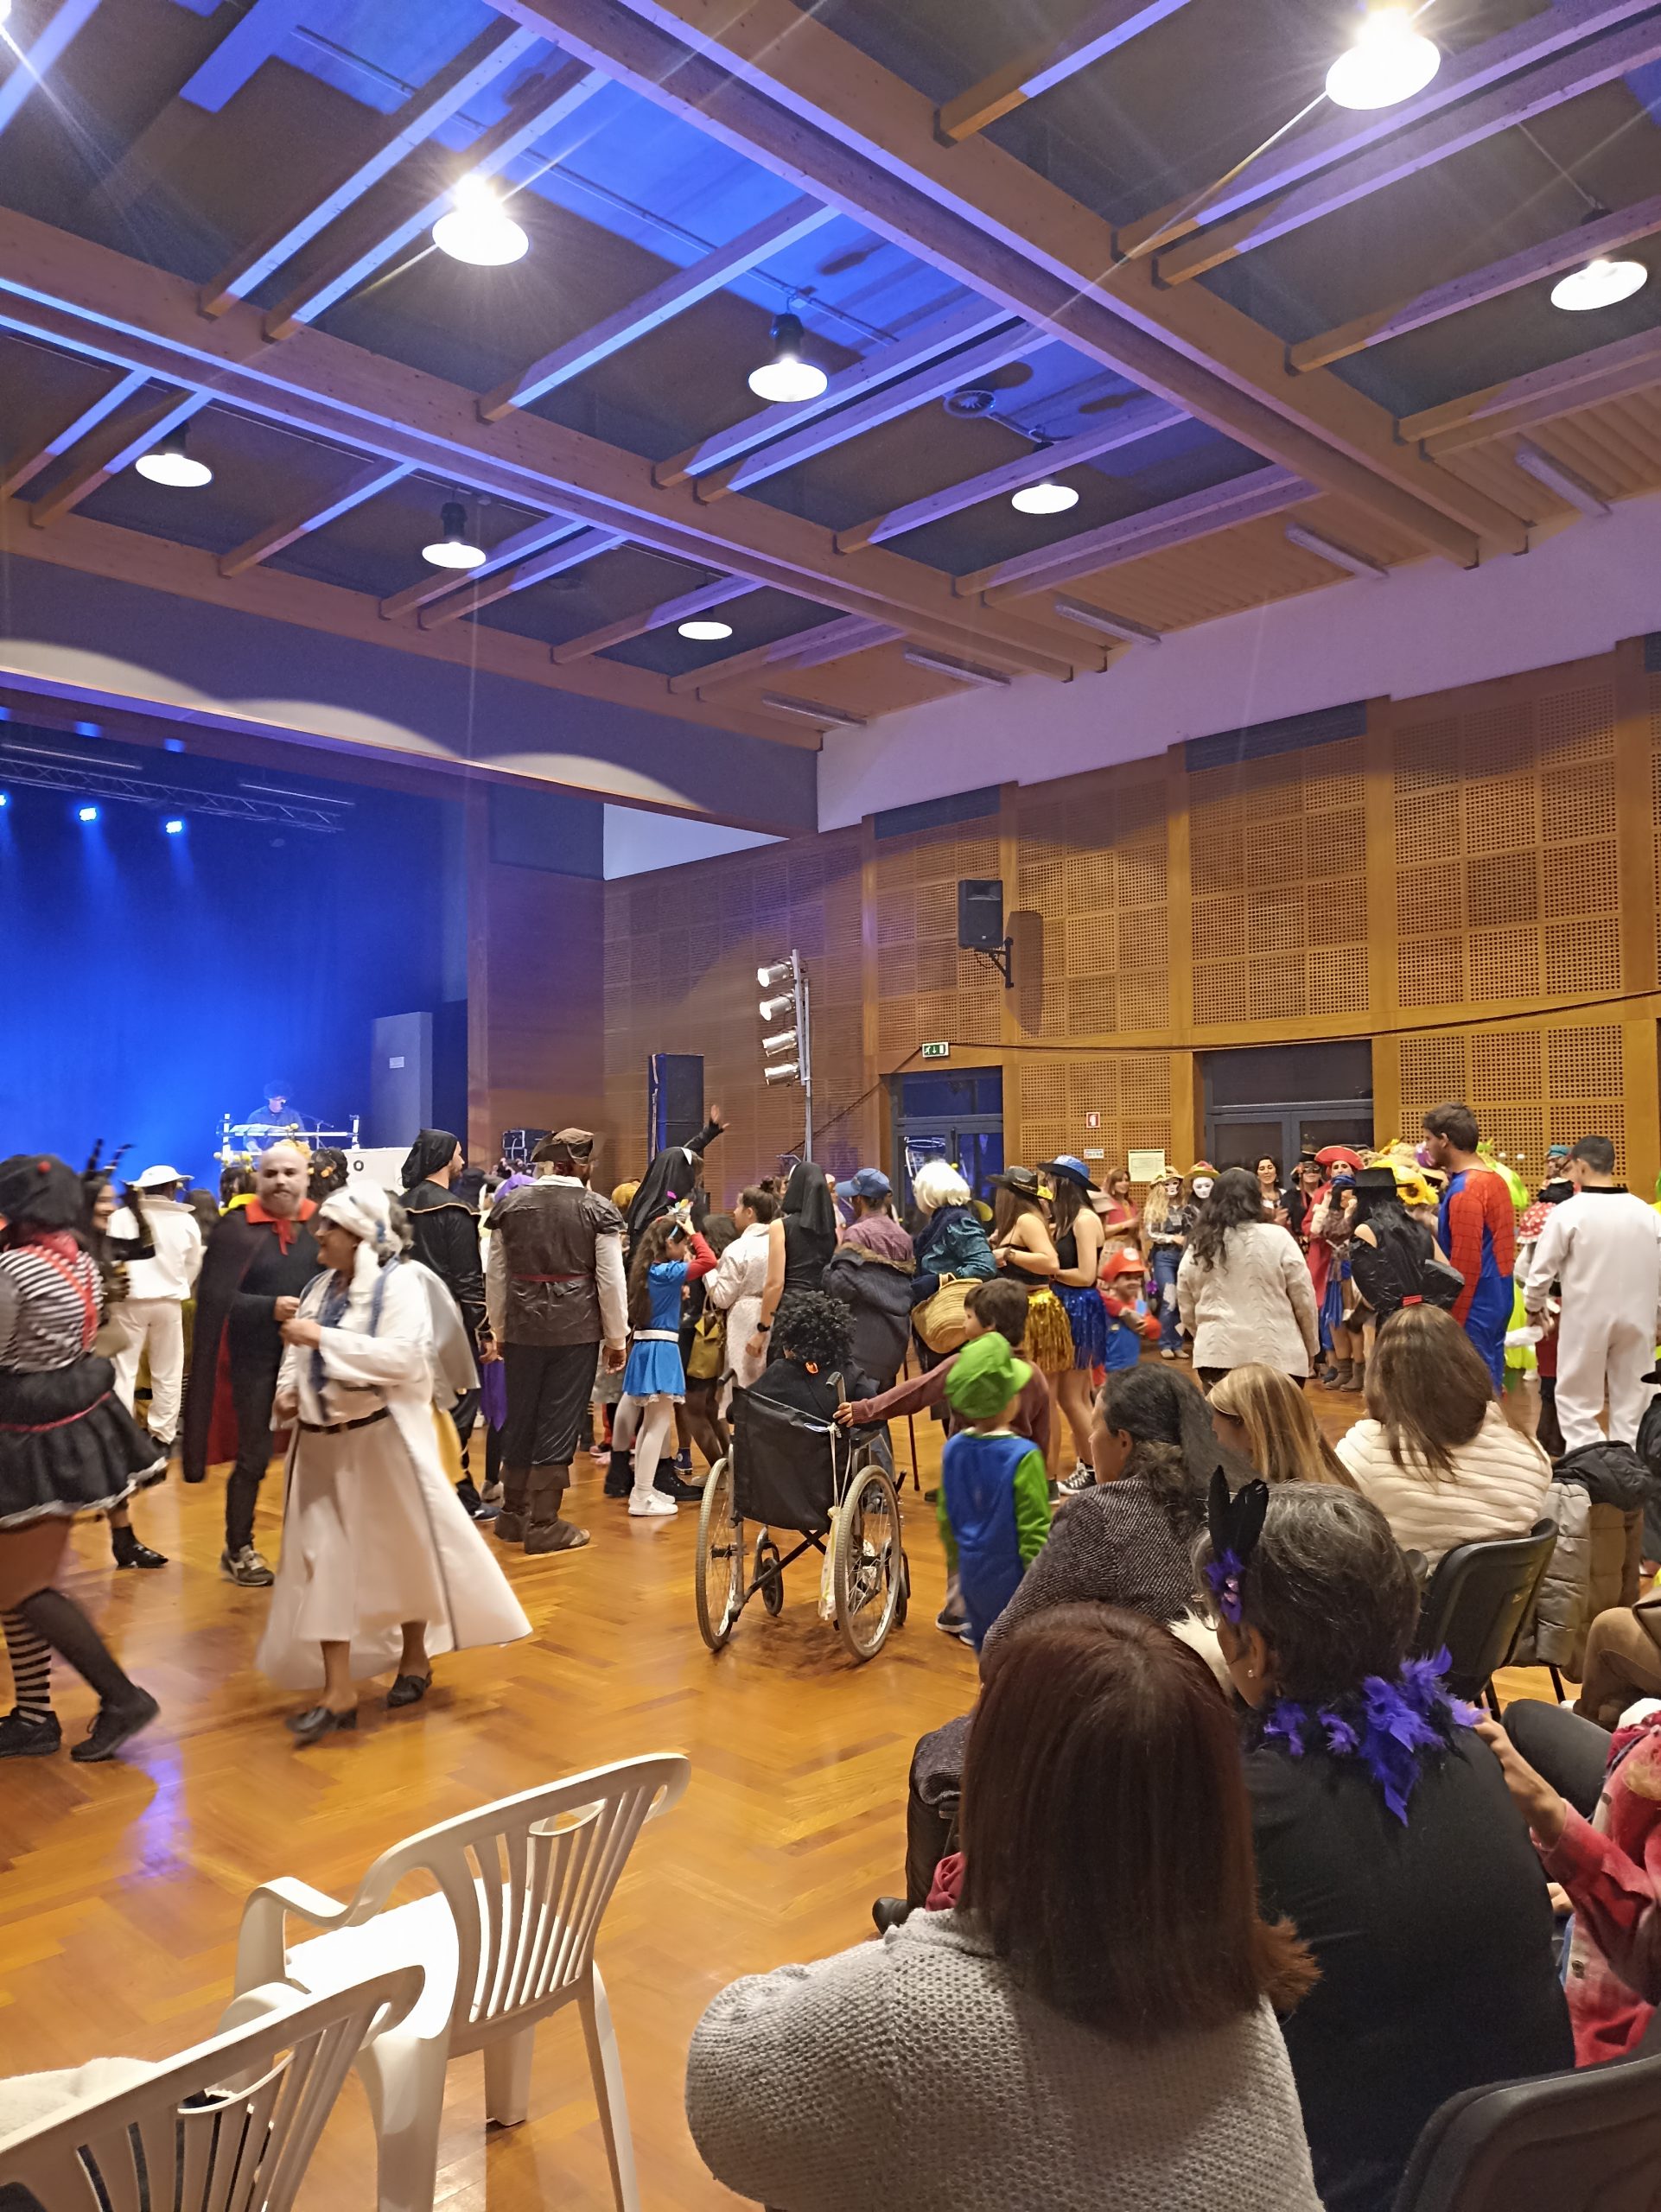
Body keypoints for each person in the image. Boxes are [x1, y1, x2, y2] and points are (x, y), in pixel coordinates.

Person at [686, 1607, 1324, 2212]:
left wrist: (918, 1945)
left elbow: (720, 2084)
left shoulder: (912, 2015)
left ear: (1000, 1783)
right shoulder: (1241, 1998)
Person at [1199, 1478, 1573, 2212]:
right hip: (1540, 2157)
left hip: (1378, 2184)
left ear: (1256, 1649)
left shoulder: (1250, 1803)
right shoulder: (1469, 1744)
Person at [258, 1181, 530, 1741]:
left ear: (362, 1233)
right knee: (322, 1560)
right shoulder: (317, 1287)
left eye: (331, 1225)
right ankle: (338, 1691)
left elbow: (405, 1361)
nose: (319, 1233)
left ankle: (414, 1657)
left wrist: (323, 1340)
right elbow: (294, 1353)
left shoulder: (401, 1283)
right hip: (319, 1449)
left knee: (401, 1554)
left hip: (381, 1443)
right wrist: (286, 1395)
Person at [0, 1154, 162, 1764]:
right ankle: (33, 1715)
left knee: (25, 1585)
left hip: (25, 1433)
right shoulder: (77, 1257)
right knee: (15, 1582)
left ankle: (122, 1697)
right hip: (63, 1422)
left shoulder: (14, 1268)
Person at [1482, 1697, 1661, 2061]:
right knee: (1523, 1718)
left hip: (1617, 2043)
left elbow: (1651, 1962)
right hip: (1605, 1925)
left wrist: (1550, 1814)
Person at [181, 1141, 322, 1588]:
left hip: (314, 1362)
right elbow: (214, 1301)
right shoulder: (235, 1229)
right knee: (254, 1457)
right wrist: (269, 1308)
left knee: (320, 1457)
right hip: (254, 1362)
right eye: (271, 1173)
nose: (280, 1181)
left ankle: (318, 1549)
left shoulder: (323, 1225)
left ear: (306, 1177)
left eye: (290, 1173)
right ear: (256, 1178)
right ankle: (238, 1546)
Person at [485, 1128, 627, 1554]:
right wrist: (616, 1336)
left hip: (521, 1327)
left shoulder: (510, 1205)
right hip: (576, 1329)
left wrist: (499, 1329)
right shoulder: (597, 1209)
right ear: (580, 1165)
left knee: (522, 1416)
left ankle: (512, 1515)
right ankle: (544, 1523)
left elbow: (496, 1276)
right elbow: (610, 1279)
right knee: (559, 1420)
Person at [1334, 1306, 1552, 1568]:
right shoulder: (1530, 1455)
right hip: (1507, 1594)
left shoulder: (1365, 1449)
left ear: (1382, 1376)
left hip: (1405, 1592)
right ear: (1471, 1367)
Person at [1524, 1135, 1661, 1454]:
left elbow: (1542, 1269)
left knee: (1577, 1400)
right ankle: (1629, 1465)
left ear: (1581, 1166)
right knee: (1634, 1398)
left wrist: (1534, 1305)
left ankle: (1594, 1462)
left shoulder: (1568, 1213)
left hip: (1587, 1320)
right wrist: (1658, 1313)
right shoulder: (1646, 1213)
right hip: (1638, 1319)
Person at [399, 1128, 493, 1515]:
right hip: (447, 1326)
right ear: (443, 1158)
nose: (462, 1161)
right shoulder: (456, 1211)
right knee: (458, 1409)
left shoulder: (397, 1208)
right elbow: (468, 1280)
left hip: (402, 1322)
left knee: (418, 1408)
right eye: (458, 1153)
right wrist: (484, 1329)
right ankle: (451, 1497)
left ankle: (454, 1495)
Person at [936, 1333, 1050, 1649]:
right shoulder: (1024, 1456)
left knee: (985, 1645)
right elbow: (1035, 1527)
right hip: (1011, 1574)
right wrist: (1038, 1583)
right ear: (1010, 1400)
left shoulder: (954, 1448)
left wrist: (957, 1562)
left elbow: (947, 1514)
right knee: (1012, 1649)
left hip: (971, 1570)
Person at [1177, 1166, 1319, 1388]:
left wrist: (1206, 1335)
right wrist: (1311, 1347)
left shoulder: (1200, 1243)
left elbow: (1186, 1305)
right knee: (1278, 1412)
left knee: (1225, 1413)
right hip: (1279, 1354)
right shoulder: (1278, 1237)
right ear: (1256, 1198)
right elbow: (1303, 1299)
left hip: (1216, 1356)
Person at [616, 1210, 717, 1518]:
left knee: (651, 1424)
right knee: (657, 1424)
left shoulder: (651, 1271)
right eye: (682, 1244)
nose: (686, 1249)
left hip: (647, 1345)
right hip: (661, 1348)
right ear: (669, 1243)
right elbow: (709, 1261)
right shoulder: (667, 1272)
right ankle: (641, 1495)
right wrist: (693, 1231)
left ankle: (643, 1489)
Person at [104, 1164, 202, 1458]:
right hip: (169, 1302)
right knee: (168, 1371)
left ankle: (121, 1439)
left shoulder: (120, 1217)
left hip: (128, 1302)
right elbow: (193, 1264)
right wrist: (177, 1285)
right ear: (171, 1188)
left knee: (123, 1371)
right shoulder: (186, 1222)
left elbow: (111, 1259)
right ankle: (163, 1435)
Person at [1422, 1103, 1516, 1393]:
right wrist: (1429, 1221)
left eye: (1428, 1138)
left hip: (1476, 1303)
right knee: (1489, 1383)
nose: (1426, 1146)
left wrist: (1453, 1322)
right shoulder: (1494, 1180)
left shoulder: (1466, 1191)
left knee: (1473, 1392)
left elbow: (1465, 1266)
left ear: (1444, 1140)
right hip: (1498, 1293)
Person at [1038, 1158, 1106, 1485]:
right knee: (1077, 1396)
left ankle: (1095, 1469)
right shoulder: (1069, 1219)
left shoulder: (1084, 1220)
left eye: (1051, 1180)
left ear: (1064, 1183)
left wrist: (1051, 1272)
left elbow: (1086, 1275)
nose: (1047, 1186)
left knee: (1071, 1398)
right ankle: (1092, 1465)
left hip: (1078, 1305)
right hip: (1070, 1303)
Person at [990, 1169, 1071, 1436]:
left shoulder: (1027, 1220)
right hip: (1023, 1309)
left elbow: (1051, 1263)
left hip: (1037, 1310)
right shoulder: (1018, 1222)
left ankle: (1047, 1462)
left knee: (1044, 1399)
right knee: (1032, 1398)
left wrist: (1008, 1254)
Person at [822, 1170, 915, 1394]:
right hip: (895, 1340)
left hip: (862, 1339)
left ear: (859, 1200)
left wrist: (828, 1269)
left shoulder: (857, 1233)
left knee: (857, 1407)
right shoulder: (903, 1236)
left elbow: (841, 1287)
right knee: (883, 1405)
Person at [746, 1162, 838, 1371]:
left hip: (791, 1311)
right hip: (822, 1311)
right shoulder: (831, 1231)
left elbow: (775, 1283)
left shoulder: (781, 1226)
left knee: (784, 1378)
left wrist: (762, 1329)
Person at [1346, 1162, 1457, 1331]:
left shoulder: (1366, 1230)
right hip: (1429, 1324)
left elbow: (1372, 1297)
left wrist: (1354, 1321)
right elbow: (1448, 1274)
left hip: (1394, 1326)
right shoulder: (1418, 1228)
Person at [1208, 1363, 1355, 1489]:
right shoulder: (1332, 1482)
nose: (1207, 1443)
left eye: (1214, 1434)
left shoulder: (1258, 1507)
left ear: (1252, 1435)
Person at [703, 1185, 778, 1394]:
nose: (734, 1212)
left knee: (742, 1387)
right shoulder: (779, 1244)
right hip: (775, 1315)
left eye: (738, 1206)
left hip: (745, 1319)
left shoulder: (738, 1248)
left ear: (749, 1212)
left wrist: (708, 1271)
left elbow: (722, 1298)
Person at [623, 1105, 729, 1246]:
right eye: (691, 1174)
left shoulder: (652, 1199)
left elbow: (679, 1157)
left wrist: (709, 1132)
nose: (693, 1180)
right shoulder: (660, 1217)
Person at [907, 1160, 996, 1304]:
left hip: (955, 1307)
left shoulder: (957, 1222)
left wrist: (941, 1280)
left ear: (927, 1193)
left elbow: (985, 1267)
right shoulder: (943, 1220)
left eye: (917, 1191)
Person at [1143, 1171, 1192, 1360]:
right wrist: (1172, 1238)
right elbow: (1150, 1234)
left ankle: (1177, 1344)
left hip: (1183, 1256)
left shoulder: (1185, 1207)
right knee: (1169, 1299)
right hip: (1164, 1256)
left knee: (1181, 1301)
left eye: (1175, 1183)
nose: (1172, 1187)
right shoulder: (1154, 1208)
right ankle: (1165, 1343)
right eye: (1167, 1184)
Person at [239, 1081, 307, 1135]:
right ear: (268, 1098)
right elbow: (249, 1139)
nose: (279, 1102)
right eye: (276, 1099)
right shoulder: (256, 1116)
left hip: (288, 1147)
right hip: (264, 1148)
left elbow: (303, 1137)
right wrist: (255, 1147)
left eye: (282, 1099)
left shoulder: (293, 1115)